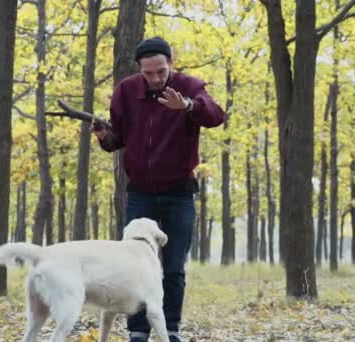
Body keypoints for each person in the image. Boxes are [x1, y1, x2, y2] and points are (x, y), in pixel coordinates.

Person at [91, 37, 225, 342]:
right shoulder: (126, 91)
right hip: (140, 193)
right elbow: (118, 140)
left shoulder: (189, 86)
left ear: (171, 63)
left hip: (179, 192)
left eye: (161, 71)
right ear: (139, 69)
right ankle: (138, 331)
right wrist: (103, 137)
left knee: (174, 266)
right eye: (148, 73)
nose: (155, 79)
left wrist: (188, 106)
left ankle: (171, 329)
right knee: (133, 266)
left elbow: (215, 116)